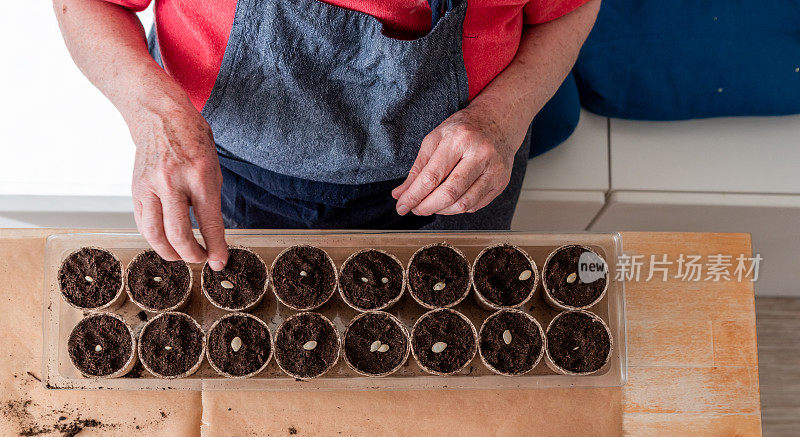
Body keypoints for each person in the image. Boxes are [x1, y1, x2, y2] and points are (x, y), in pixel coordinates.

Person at [54, 0, 600, 270]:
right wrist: (156, 119)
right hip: (224, 163)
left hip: (457, 171)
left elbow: (569, 10)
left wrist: (505, 117)